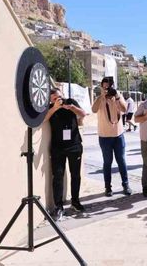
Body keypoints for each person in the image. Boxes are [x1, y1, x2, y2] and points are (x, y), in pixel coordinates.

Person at [44, 87, 87, 220]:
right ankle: (58, 206)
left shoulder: (71, 101)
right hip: (58, 147)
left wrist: (72, 108)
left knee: (75, 175)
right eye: (54, 99)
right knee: (57, 176)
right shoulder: (50, 107)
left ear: (62, 94)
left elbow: (83, 114)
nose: (58, 100)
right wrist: (54, 107)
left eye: (59, 97)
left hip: (74, 145)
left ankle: (75, 201)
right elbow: (44, 119)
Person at [92, 77, 132, 197]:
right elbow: (93, 110)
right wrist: (101, 95)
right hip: (104, 136)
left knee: (121, 161)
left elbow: (125, 110)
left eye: (109, 87)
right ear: (102, 87)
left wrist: (117, 97)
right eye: (105, 86)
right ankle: (108, 187)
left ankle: (126, 185)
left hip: (118, 135)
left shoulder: (117, 97)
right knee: (107, 162)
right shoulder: (99, 99)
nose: (107, 89)